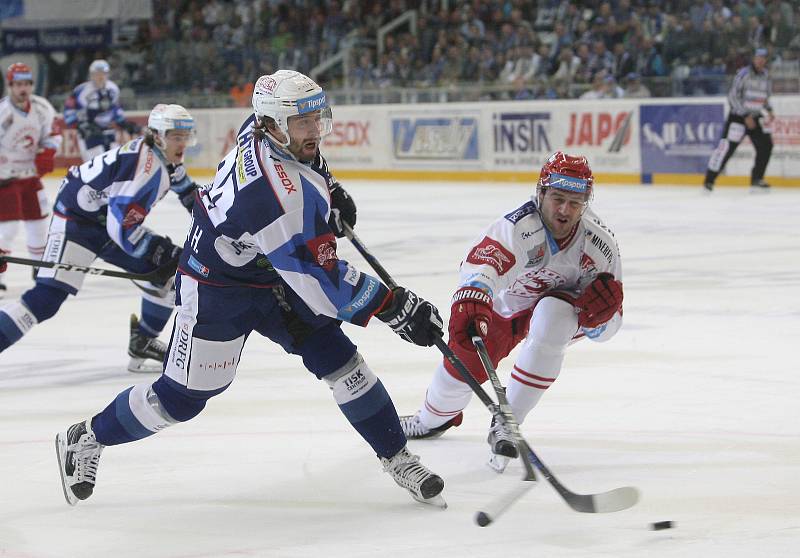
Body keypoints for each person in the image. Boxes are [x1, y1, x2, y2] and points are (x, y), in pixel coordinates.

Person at [54, 70, 448, 508]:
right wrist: (395, 307)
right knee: (181, 399)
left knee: (339, 360)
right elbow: (320, 278)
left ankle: (397, 456)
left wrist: (331, 190)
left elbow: (308, 172)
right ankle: (86, 438)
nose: (315, 130)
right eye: (304, 123)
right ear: (273, 124)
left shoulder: (262, 130)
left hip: (268, 269)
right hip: (216, 286)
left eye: (318, 118)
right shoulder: (272, 195)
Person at [399, 152, 624, 472]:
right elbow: (483, 268)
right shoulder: (519, 228)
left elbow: (612, 325)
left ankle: (508, 421)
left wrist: (598, 321)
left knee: (554, 315)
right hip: (505, 310)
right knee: (457, 376)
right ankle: (431, 418)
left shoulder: (600, 246)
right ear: (541, 193)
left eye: (575, 202)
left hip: (556, 311)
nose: (564, 210)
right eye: (558, 198)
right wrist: (474, 299)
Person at [0, 103, 200, 373]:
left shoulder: (164, 159)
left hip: (101, 220)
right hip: (76, 222)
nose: (183, 143)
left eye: (186, 136)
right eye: (177, 137)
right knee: (45, 299)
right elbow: (121, 230)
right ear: (158, 135)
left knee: (169, 272)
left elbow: (190, 195)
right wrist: (157, 252)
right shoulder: (147, 168)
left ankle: (143, 341)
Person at [0, 62, 62, 294]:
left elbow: (53, 135)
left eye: (26, 84)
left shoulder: (42, 107)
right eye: (18, 84)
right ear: (10, 86)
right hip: (5, 179)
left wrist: (47, 151)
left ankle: (39, 269)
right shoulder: (3, 113)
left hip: (30, 177)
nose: (23, 89)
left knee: (38, 223)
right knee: (8, 230)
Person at [704, 48, 774, 192]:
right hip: (738, 118)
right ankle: (709, 181)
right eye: (758, 57)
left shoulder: (766, 76)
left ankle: (757, 179)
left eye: (763, 58)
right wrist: (745, 115)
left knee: (766, 146)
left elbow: (765, 98)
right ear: (753, 59)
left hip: (755, 118)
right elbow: (733, 97)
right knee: (726, 149)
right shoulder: (743, 74)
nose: (760, 60)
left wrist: (770, 110)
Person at [63, 59, 139, 162]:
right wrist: (81, 126)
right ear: (91, 75)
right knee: (94, 165)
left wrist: (124, 123)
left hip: (108, 131)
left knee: (113, 163)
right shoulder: (81, 91)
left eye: (103, 73)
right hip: (89, 134)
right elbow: (68, 111)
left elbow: (115, 109)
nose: (100, 77)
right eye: (97, 74)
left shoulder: (113, 89)